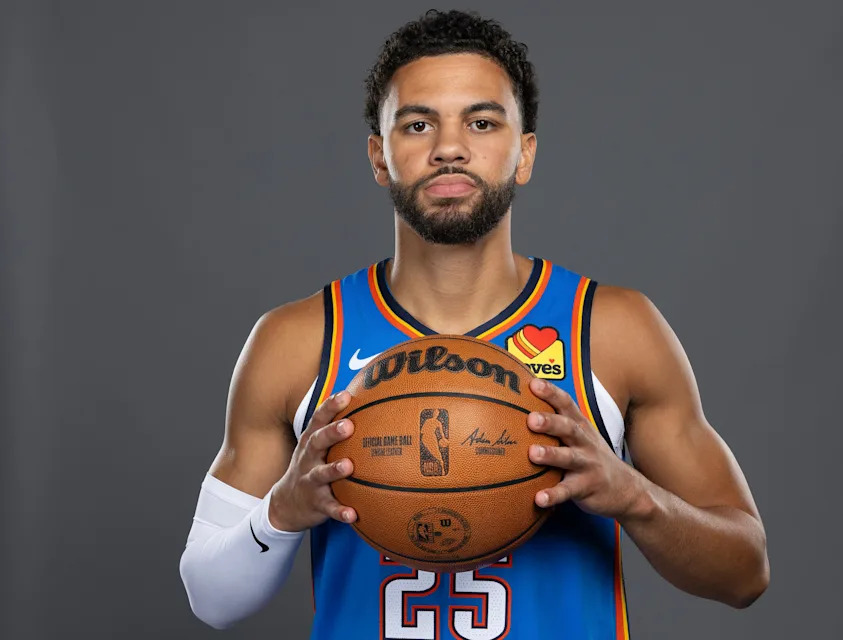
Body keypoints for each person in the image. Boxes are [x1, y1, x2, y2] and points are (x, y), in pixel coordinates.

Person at [179, 9, 769, 639]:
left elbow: (745, 574)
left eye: (482, 122)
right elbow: (211, 599)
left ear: (525, 153)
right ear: (380, 157)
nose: (450, 147)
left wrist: (635, 496)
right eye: (417, 123)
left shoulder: (612, 330)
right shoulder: (299, 341)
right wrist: (280, 514)